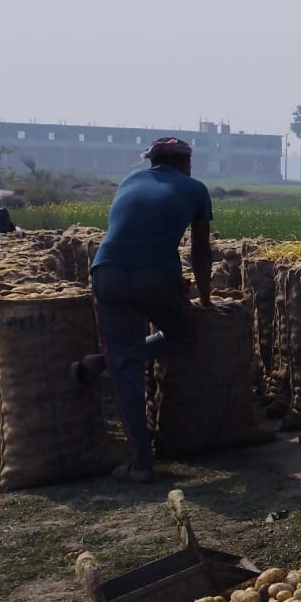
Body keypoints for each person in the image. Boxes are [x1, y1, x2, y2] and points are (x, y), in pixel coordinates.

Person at [73, 137, 213, 482]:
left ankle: (140, 461)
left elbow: (127, 231)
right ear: (186, 163)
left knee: (125, 367)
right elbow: (201, 251)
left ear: (152, 161)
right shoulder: (195, 189)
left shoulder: (129, 181)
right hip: (156, 276)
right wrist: (207, 299)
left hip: (107, 273)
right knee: (183, 336)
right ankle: (141, 461)